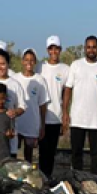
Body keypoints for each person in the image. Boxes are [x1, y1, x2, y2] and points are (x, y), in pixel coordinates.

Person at [63, 35, 97, 176]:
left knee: (96, 156)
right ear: (85, 48)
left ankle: (95, 184)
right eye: (89, 47)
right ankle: (78, 183)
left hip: (96, 120)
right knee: (76, 154)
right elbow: (68, 89)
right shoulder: (76, 65)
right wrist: (65, 112)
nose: (91, 50)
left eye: (94, 47)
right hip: (78, 118)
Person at [36, 35, 69, 177]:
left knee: (50, 152)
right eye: (51, 48)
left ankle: (47, 179)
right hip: (40, 117)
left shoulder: (65, 69)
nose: (54, 51)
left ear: (60, 49)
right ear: (47, 50)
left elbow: (66, 94)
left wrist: (65, 115)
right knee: (41, 152)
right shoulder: (40, 67)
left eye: (56, 48)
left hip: (55, 117)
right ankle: (40, 179)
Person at [13, 48, 50, 163]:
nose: (29, 62)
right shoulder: (15, 78)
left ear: (35, 62)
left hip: (32, 123)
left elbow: (42, 105)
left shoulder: (40, 80)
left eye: (32, 60)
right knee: (13, 152)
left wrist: (42, 126)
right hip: (17, 123)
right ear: (22, 61)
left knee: (28, 156)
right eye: (26, 60)